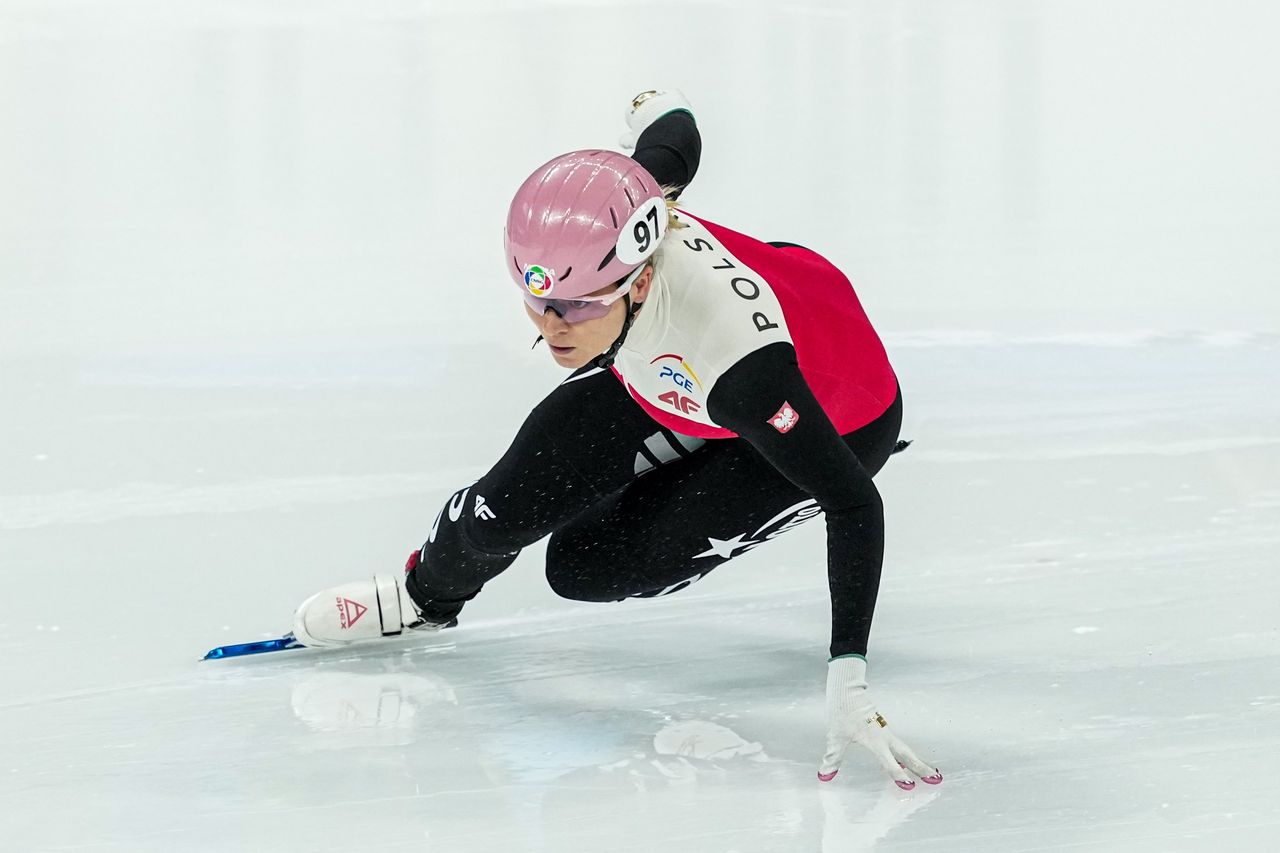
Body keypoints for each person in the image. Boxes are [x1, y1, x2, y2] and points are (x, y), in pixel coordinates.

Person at [291, 90, 942, 789]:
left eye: (575, 307)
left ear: (641, 279)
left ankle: (720, 466)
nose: (553, 327)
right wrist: (658, 105)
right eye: (538, 301)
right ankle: (424, 600)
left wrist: (849, 674)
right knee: (503, 509)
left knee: (586, 569)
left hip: (832, 412)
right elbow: (675, 136)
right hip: (674, 368)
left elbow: (854, 502)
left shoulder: (743, 369)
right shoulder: (627, 211)